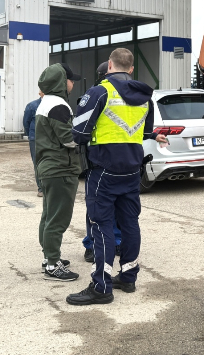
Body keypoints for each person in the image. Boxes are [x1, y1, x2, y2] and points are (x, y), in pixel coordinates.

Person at [67, 48, 167, 305]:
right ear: (131, 68)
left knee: (101, 224)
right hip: (132, 170)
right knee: (130, 223)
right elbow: (145, 133)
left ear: (109, 65)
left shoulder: (99, 92)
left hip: (104, 169)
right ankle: (128, 276)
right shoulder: (146, 97)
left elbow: (78, 133)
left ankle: (101, 286)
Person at [36, 62, 82, 281]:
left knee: (48, 215)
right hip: (60, 168)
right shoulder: (59, 106)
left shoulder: (45, 102)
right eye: (72, 80)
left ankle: (49, 257)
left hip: (48, 167)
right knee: (58, 219)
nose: (73, 84)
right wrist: (88, 138)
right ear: (64, 82)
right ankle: (53, 265)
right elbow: (69, 139)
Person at [81, 62, 122, 264]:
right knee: (117, 208)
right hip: (124, 161)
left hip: (100, 161)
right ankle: (116, 242)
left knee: (96, 208)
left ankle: (93, 245)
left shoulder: (97, 93)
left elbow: (81, 130)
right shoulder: (130, 95)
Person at [23, 92, 43, 197]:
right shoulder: (32, 106)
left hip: (47, 138)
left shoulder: (53, 105)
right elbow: (26, 122)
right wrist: (31, 135)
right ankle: (41, 189)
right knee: (37, 163)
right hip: (35, 138)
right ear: (40, 93)